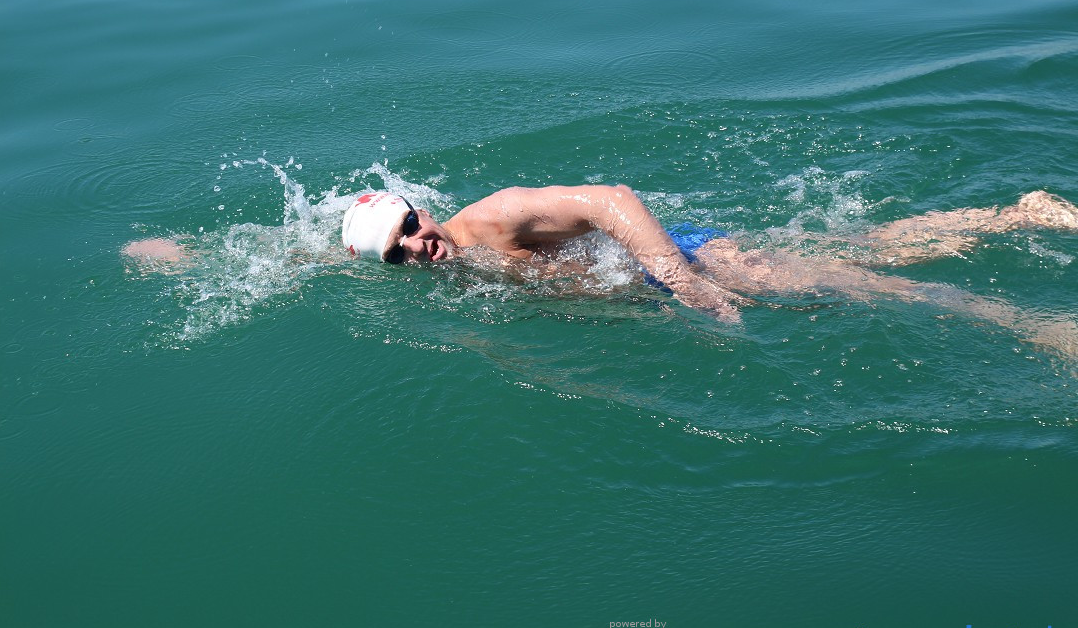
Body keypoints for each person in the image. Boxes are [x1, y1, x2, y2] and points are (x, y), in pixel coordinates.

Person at [125, 184, 1078, 350]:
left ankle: (1040, 327)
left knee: (859, 284)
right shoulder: (416, 266)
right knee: (850, 259)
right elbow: (288, 258)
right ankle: (1016, 216)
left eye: (411, 225)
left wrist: (685, 278)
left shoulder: (489, 222)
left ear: (419, 205)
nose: (420, 246)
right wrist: (183, 257)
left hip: (691, 258)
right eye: (399, 254)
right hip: (655, 287)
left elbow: (614, 200)